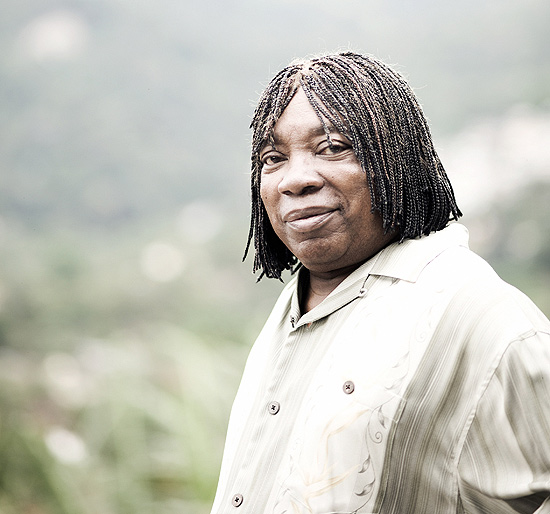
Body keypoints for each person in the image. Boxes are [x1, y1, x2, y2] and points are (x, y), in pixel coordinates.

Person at [210, 52, 550, 514]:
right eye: (274, 158)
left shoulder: (478, 313)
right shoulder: (291, 309)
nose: (296, 179)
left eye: (332, 147)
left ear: (398, 157)